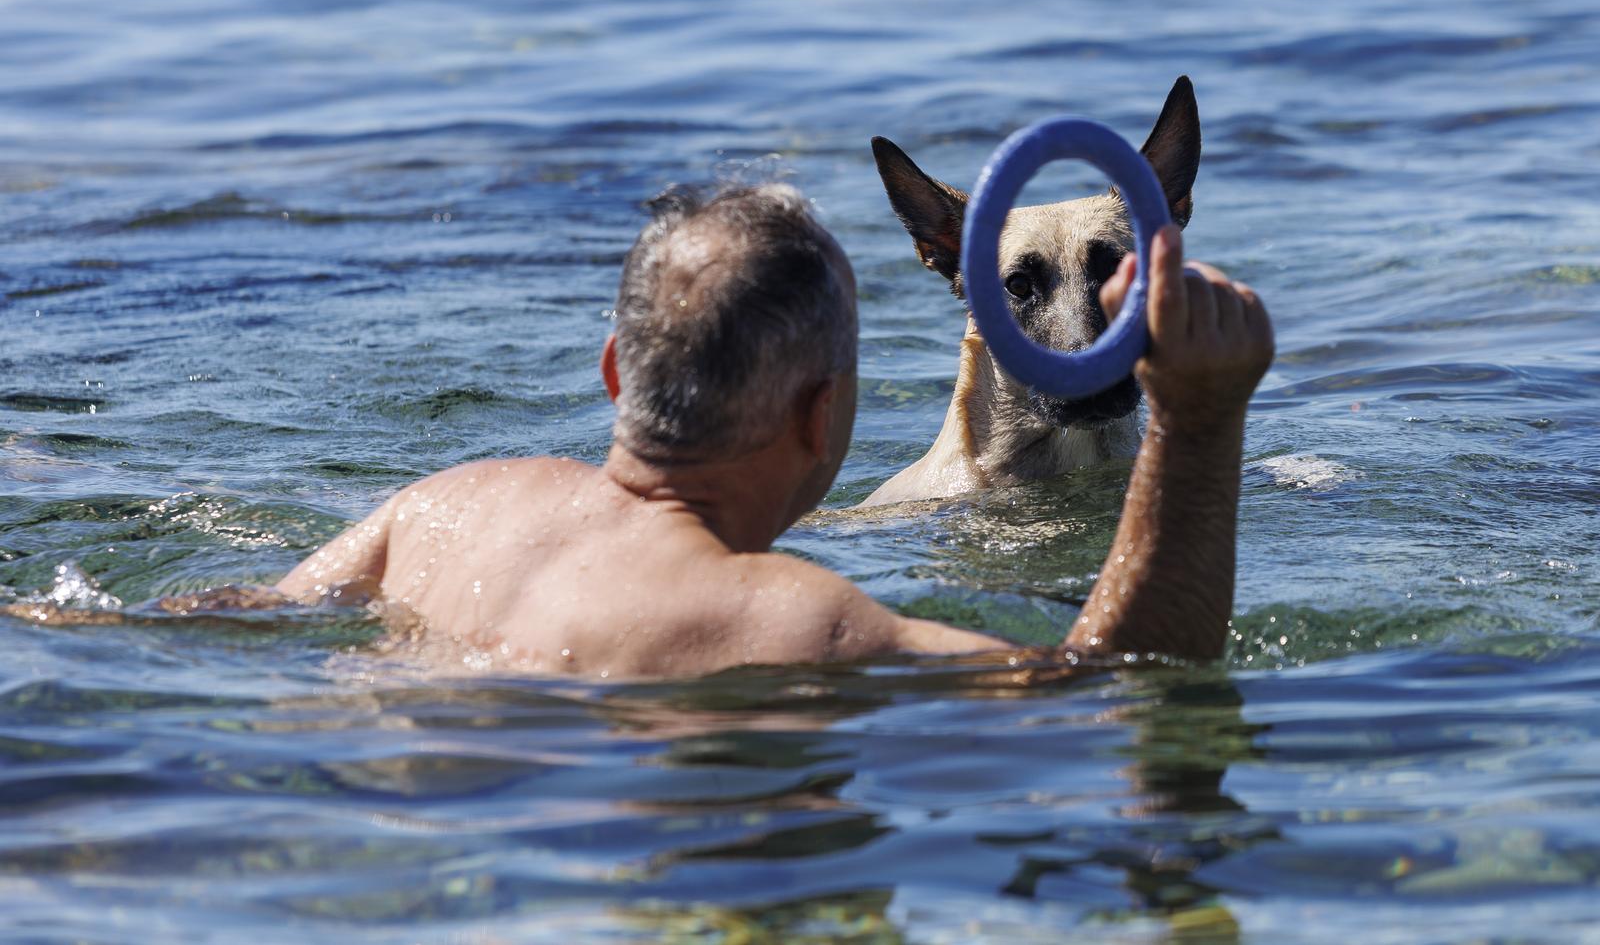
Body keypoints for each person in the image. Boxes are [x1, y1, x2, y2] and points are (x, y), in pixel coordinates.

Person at [275, 184, 1273, 677]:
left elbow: (223, 620)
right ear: (821, 412)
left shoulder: (438, 509)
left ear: (617, 374)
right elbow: (1112, 689)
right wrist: (1200, 424)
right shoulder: (800, 622)